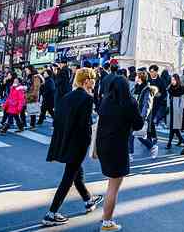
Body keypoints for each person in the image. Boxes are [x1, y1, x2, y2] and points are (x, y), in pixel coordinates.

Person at [43, 68, 104, 226]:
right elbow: (85, 125)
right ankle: (51, 213)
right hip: (78, 143)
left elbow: (58, 121)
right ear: (86, 81)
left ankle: (88, 200)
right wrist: (89, 142)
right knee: (68, 178)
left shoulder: (67, 97)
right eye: (93, 79)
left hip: (66, 141)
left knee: (76, 173)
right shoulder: (86, 98)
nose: (95, 82)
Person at [96, 74, 145, 231]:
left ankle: (105, 216)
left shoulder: (105, 101)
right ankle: (107, 222)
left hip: (103, 145)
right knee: (113, 186)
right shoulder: (129, 102)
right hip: (118, 147)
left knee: (111, 182)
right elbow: (138, 125)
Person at [131, 70, 159, 159]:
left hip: (140, 116)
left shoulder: (147, 90)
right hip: (134, 115)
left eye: (137, 76)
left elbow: (147, 105)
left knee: (137, 135)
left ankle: (152, 147)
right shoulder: (136, 87)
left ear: (140, 78)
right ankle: (130, 154)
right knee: (134, 135)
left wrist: (142, 118)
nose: (135, 78)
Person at [166, 73, 184, 149]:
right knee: (174, 126)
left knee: (173, 126)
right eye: (171, 79)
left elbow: (183, 100)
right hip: (170, 109)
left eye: (174, 79)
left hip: (177, 109)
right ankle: (181, 139)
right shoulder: (170, 87)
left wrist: (180, 109)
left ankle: (169, 143)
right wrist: (167, 106)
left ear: (177, 80)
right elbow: (168, 97)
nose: (172, 81)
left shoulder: (181, 88)